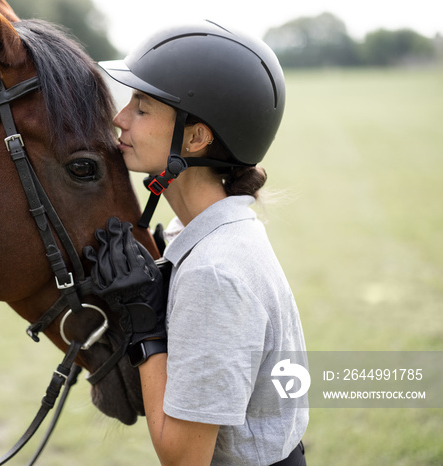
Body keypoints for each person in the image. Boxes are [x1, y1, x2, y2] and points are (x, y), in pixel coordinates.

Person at [87, 20, 308, 465]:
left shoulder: (215, 273)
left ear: (196, 137)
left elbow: (183, 457)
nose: (119, 118)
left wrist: (145, 329)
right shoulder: (207, 233)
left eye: (143, 108)